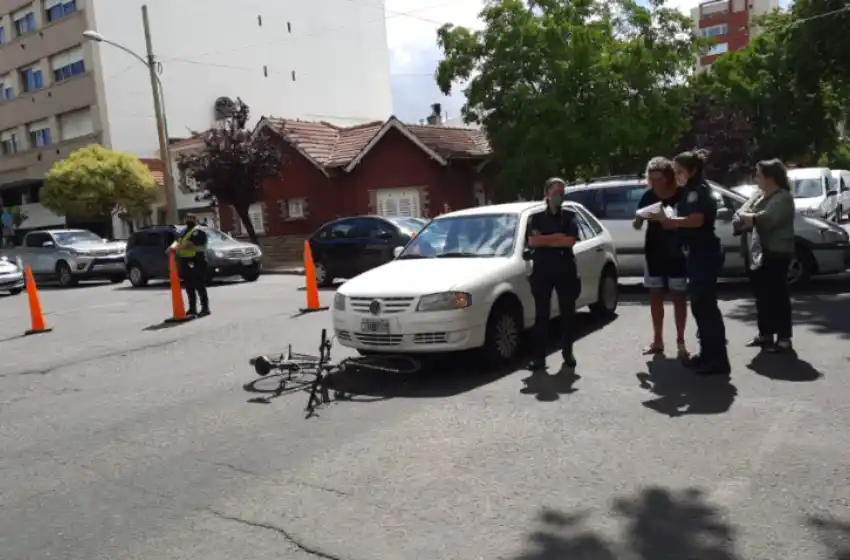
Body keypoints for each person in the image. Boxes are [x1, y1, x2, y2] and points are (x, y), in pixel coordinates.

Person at [654, 150, 730, 375]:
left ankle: (718, 360)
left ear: (692, 171)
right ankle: (707, 355)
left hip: (705, 254)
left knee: (706, 308)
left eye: (679, 172)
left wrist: (670, 221)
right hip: (697, 254)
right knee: (699, 307)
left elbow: (696, 220)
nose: (677, 176)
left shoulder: (698, 192)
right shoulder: (690, 191)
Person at [734, 159, 796, 352]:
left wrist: (751, 219)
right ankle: (765, 334)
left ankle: (784, 338)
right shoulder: (759, 195)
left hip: (776, 252)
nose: (756, 178)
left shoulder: (783, 198)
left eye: (759, 175)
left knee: (777, 295)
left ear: (771, 177)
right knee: (761, 296)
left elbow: (767, 219)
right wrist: (748, 218)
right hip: (756, 252)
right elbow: (740, 213)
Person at [633, 157, 689, 360]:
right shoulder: (648, 196)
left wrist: (671, 220)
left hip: (677, 252)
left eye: (658, 178)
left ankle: (681, 341)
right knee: (655, 295)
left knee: (678, 295)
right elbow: (637, 225)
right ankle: (657, 341)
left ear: (668, 177)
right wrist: (639, 218)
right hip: (654, 251)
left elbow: (688, 221)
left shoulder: (681, 194)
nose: (654, 182)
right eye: (651, 178)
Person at [527, 177, 580, 371]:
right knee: (542, 315)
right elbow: (533, 242)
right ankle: (539, 358)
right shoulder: (537, 218)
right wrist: (556, 237)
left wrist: (546, 239)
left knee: (567, 314)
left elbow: (570, 241)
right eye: (557, 192)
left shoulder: (569, 216)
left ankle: (568, 352)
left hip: (565, 269)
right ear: (547, 193)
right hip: (542, 269)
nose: (560, 196)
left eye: (562, 192)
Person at [169, 214, 210, 317]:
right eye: (187, 218)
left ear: (196, 220)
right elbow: (177, 242)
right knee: (189, 286)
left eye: (191, 219)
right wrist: (170, 249)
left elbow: (189, 244)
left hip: (197, 261)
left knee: (199, 286)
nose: (188, 220)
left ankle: (205, 308)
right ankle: (192, 309)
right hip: (186, 262)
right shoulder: (184, 232)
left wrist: (176, 249)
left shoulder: (198, 231)